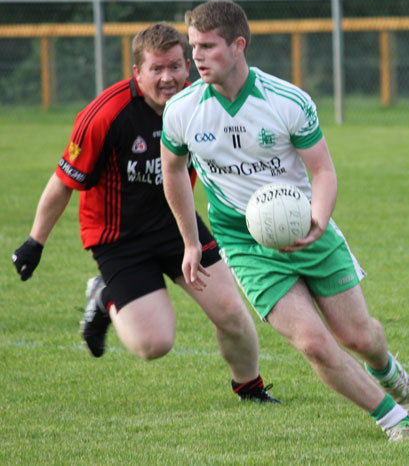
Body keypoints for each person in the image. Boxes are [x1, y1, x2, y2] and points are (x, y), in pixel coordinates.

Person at [160, 1, 409, 441]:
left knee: (360, 337)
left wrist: (318, 220)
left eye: (207, 46)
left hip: (307, 227)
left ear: (238, 45)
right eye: (194, 47)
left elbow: (322, 171)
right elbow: (173, 171)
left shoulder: (287, 101)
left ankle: (388, 371)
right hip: (245, 241)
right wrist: (191, 241)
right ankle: (394, 420)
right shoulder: (182, 111)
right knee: (314, 343)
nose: (197, 58)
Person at [11, 22, 279, 403]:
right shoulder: (106, 114)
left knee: (232, 312)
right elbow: (62, 182)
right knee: (154, 344)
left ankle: (250, 389)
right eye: (157, 69)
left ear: (187, 66)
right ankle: (105, 296)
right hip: (119, 239)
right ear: (138, 73)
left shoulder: (200, 102)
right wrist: (35, 242)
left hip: (178, 224)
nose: (168, 78)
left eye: (174, 66)